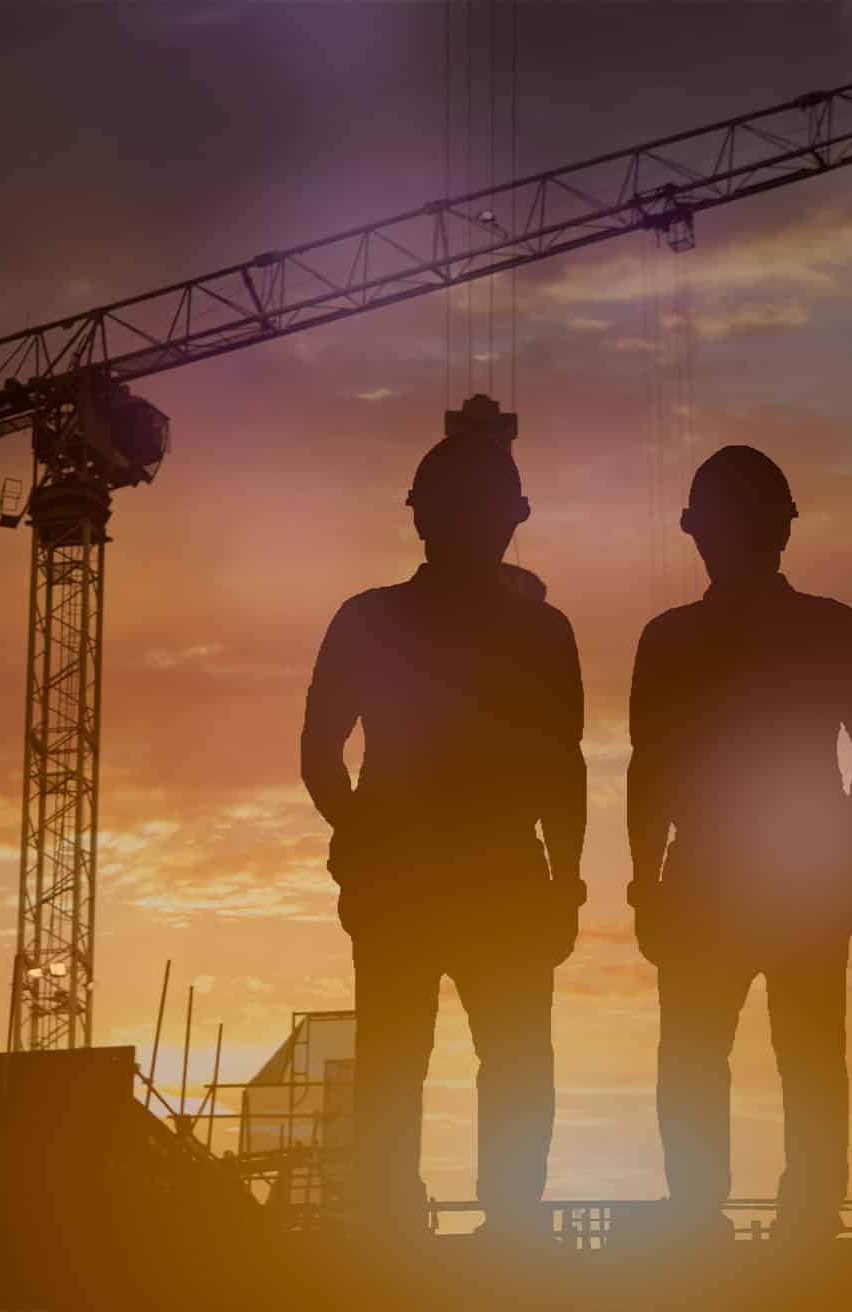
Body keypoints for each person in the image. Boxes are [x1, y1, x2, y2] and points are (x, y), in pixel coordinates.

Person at [301, 395, 588, 1243]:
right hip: (489, 876)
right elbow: (560, 768)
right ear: (514, 519)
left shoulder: (371, 619)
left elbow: (321, 754)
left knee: (406, 1059)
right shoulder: (540, 631)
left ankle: (397, 1226)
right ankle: (504, 1226)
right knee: (508, 1064)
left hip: (419, 871)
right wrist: (565, 880)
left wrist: (356, 831)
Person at [627, 445, 852, 1246]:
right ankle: (801, 1215)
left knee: (708, 1061)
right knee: (795, 1058)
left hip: (728, 879)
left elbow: (650, 773)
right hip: (774, 878)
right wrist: (840, 837)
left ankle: (714, 1215)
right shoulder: (826, 628)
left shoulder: (673, 639)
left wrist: (648, 883)